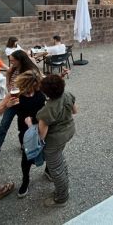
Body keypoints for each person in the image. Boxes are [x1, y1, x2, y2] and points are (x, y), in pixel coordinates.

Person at [0, 70, 46, 198]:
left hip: (43, 127)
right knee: (26, 157)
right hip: (25, 132)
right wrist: (7, 106)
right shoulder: (15, 96)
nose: (36, 86)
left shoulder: (39, 91)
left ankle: (49, 170)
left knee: (47, 150)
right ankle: (25, 181)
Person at [26, 74, 77, 207]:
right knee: (59, 159)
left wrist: (30, 125)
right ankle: (64, 180)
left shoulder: (46, 110)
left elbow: (41, 136)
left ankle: (61, 198)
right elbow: (74, 111)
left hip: (54, 140)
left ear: (45, 92)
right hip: (69, 131)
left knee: (55, 169)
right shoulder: (68, 95)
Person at [0, 50, 40, 162]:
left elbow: (40, 81)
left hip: (25, 100)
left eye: (13, 60)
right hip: (13, 97)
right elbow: (8, 73)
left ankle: (25, 145)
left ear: (20, 60)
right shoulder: (14, 67)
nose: (11, 62)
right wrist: (8, 85)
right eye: (10, 60)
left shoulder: (30, 70)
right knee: (3, 125)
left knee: (25, 126)